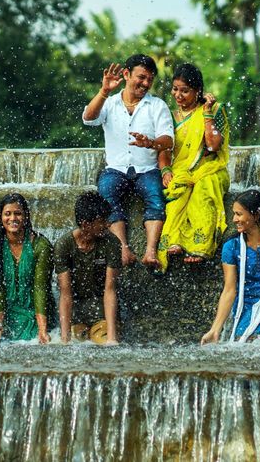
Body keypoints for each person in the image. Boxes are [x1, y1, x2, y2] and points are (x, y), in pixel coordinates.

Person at [82, 54, 174, 268]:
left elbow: (168, 140)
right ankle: (123, 249)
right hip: (116, 169)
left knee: (156, 198)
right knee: (107, 194)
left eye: (149, 80)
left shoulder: (157, 106)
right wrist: (104, 91)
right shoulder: (110, 103)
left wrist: (151, 143)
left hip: (147, 169)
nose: (145, 83)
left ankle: (151, 252)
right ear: (126, 74)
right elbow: (88, 117)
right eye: (141, 77)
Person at [156, 63, 230, 271]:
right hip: (182, 171)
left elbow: (214, 145)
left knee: (204, 191)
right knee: (176, 191)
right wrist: (165, 170)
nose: (178, 95)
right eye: (175, 89)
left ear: (198, 91)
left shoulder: (214, 110)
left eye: (185, 90)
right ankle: (175, 241)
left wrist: (206, 113)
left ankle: (200, 246)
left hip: (211, 169)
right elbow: (164, 148)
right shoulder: (169, 116)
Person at [201, 190, 260, 344]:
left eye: (239, 214)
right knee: (243, 343)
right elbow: (229, 290)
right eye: (234, 214)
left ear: (256, 215)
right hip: (244, 308)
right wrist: (215, 330)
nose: (234, 219)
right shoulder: (231, 246)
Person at [0, 193, 55, 344]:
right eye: (7, 214)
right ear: (1, 218)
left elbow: (40, 288)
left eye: (18, 213)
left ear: (26, 216)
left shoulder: (41, 246)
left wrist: (42, 330)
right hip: (7, 316)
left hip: (37, 314)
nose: (13, 219)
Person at [55, 192, 121, 345]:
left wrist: (112, 339)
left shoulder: (112, 242)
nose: (108, 224)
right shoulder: (64, 245)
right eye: (102, 221)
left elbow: (110, 290)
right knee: (77, 343)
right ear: (86, 224)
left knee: (103, 342)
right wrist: (65, 340)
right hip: (77, 315)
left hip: (103, 314)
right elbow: (65, 294)